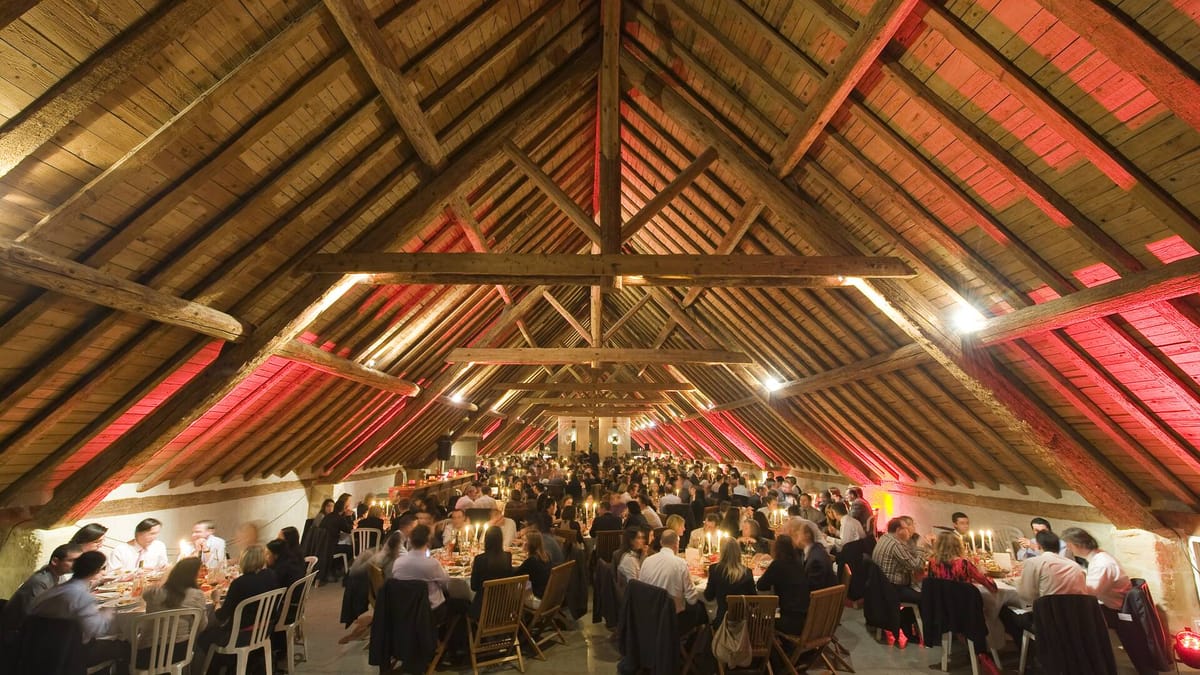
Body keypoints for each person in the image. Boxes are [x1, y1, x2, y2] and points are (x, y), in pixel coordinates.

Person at [29, 550, 127, 670]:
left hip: (36, 648)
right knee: (125, 645)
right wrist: (109, 612)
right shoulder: (81, 596)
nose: (104, 572)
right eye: (103, 569)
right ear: (95, 571)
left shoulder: (58, 589)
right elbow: (97, 630)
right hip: (67, 654)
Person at [1000, 530, 1086, 646]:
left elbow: (1026, 595)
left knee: (1004, 611)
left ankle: (1030, 651)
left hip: (1048, 620)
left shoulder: (1033, 562)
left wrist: (1016, 584)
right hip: (1075, 620)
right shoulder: (1075, 566)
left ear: (1038, 546)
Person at [2, 543, 81, 634]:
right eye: (72, 561)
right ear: (55, 561)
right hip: (14, 631)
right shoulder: (41, 581)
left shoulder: (59, 576)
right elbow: (32, 615)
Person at [639, 530, 705, 632]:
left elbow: (641, 589)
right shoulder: (680, 564)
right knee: (701, 609)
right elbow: (691, 599)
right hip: (673, 618)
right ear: (676, 544)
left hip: (649, 614)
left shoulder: (647, 561)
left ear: (661, 543)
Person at [1061, 527, 1132, 617]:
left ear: (1076, 545)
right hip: (1110, 604)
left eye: (1068, 546)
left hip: (1116, 611)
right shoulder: (1099, 555)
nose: (1068, 549)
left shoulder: (1102, 563)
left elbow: (1089, 594)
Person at [211, 545, 281, 635]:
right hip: (266, 628)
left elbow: (222, 616)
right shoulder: (271, 574)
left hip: (241, 633)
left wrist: (216, 602)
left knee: (204, 636)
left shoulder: (239, 583)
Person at [391, 525, 455, 621]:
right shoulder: (432, 563)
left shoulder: (398, 562)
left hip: (404, 609)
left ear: (410, 541)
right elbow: (446, 583)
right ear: (428, 542)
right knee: (460, 603)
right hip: (430, 612)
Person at [142, 557, 209, 638]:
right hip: (181, 644)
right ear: (193, 576)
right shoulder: (197, 595)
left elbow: (144, 594)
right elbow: (201, 626)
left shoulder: (153, 593)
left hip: (149, 644)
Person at [756, 535, 808, 634]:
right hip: (804, 619)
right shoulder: (798, 564)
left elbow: (760, 585)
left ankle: (763, 642)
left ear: (776, 549)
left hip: (789, 622)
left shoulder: (777, 565)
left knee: (757, 618)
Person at [872, 517, 927, 605]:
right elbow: (916, 566)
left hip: (882, 584)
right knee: (926, 597)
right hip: (893, 588)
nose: (908, 531)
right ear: (898, 530)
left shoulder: (884, 537)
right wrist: (921, 547)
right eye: (906, 529)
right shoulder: (895, 544)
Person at [705, 538, 756, 627]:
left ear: (722, 552)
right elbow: (754, 601)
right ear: (738, 553)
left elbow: (708, 596)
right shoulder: (747, 572)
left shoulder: (715, 569)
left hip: (722, 622)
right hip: (744, 624)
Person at [927, 531, 995, 592]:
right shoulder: (963, 564)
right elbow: (991, 587)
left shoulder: (932, 563)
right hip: (962, 600)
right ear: (958, 546)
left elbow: (930, 585)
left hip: (940, 600)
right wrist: (983, 573)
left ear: (938, 546)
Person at [470, 527, 513, 618]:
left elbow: (473, 587)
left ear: (486, 540)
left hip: (483, 610)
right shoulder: (508, 557)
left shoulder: (479, 559)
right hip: (504, 607)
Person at [515, 531, 553, 610]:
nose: (523, 543)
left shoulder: (532, 561)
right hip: (549, 597)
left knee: (512, 586)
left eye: (525, 541)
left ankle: (510, 613)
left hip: (537, 600)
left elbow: (515, 575)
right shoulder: (547, 556)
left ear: (531, 544)